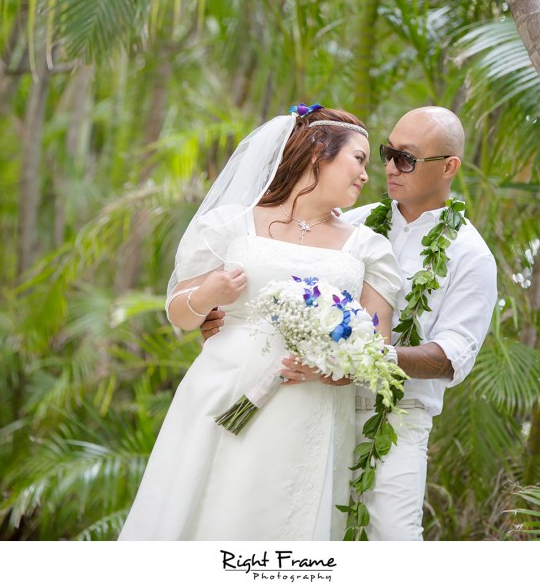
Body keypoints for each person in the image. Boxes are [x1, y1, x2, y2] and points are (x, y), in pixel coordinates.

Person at [202, 106, 497, 541]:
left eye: (406, 158)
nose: (390, 167)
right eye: (387, 152)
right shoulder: (354, 224)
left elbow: (451, 356)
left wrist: (361, 360)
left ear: (449, 166)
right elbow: (283, 273)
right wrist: (229, 318)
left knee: (393, 540)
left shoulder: (472, 255)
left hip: (396, 422)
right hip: (316, 408)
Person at [117, 105, 403, 541]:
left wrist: (335, 370)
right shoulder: (229, 224)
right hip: (224, 391)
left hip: (311, 406)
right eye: (359, 159)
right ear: (317, 154)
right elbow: (179, 314)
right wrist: (210, 293)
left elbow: (378, 347)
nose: (367, 175)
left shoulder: (369, 247)